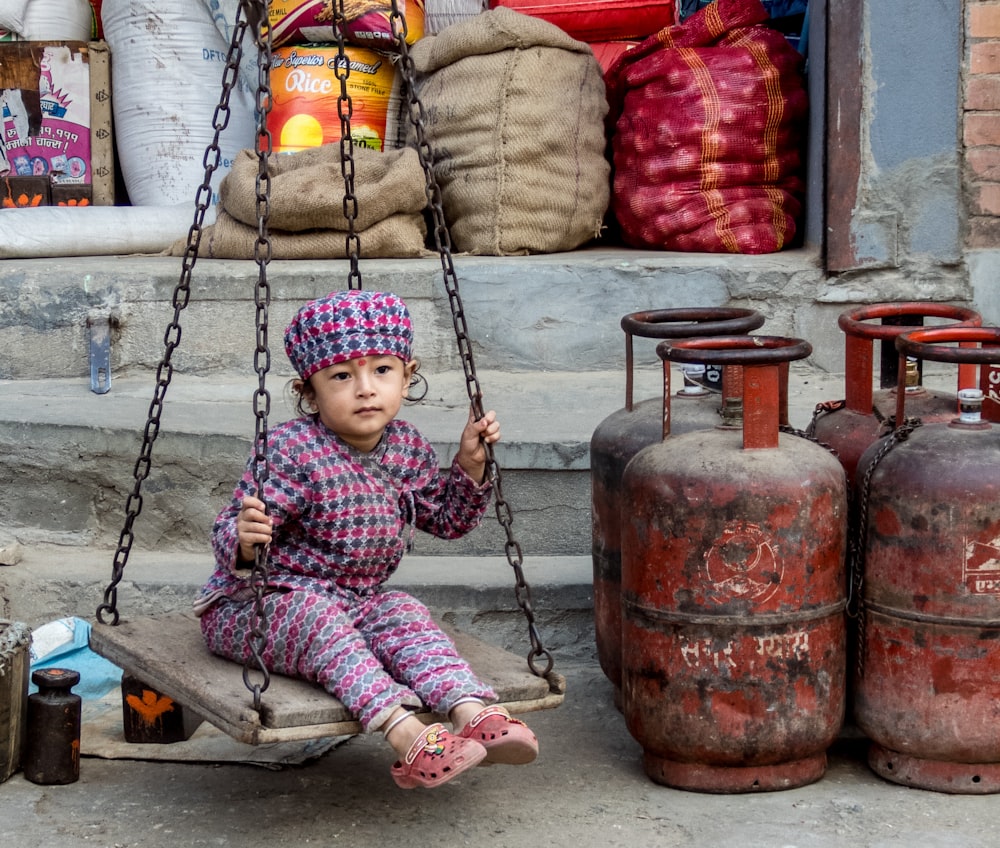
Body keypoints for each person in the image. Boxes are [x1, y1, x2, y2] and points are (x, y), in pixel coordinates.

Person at [194, 289, 538, 789]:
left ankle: (471, 712)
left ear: (407, 375)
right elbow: (231, 531)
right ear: (309, 393)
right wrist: (245, 540)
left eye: (382, 371)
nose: (365, 389)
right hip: (259, 605)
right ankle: (409, 736)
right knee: (319, 620)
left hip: (357, 600)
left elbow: (448, 521)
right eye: (341, 376)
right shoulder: (293, 449)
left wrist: (469, 465)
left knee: (403, 611)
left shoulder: (407, 448)